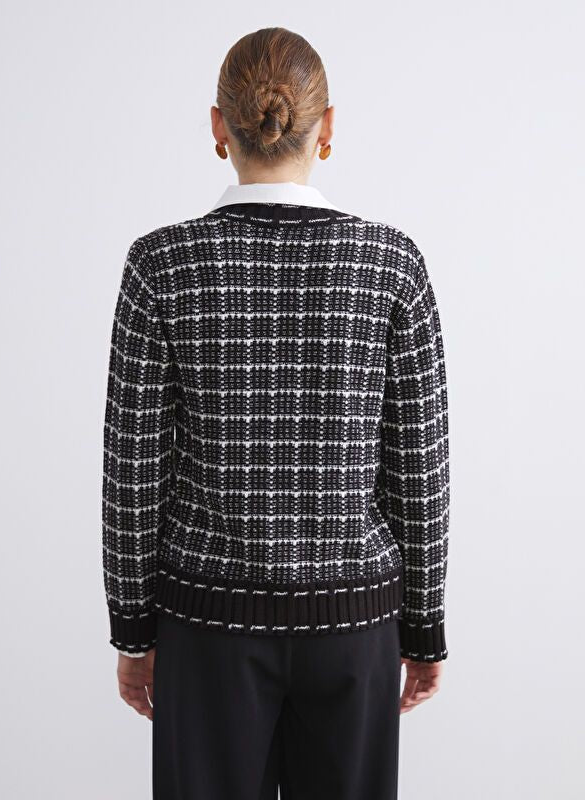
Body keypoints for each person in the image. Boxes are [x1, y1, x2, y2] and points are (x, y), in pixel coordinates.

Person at [101, 26, 450, 800]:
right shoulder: (392, 264)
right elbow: (419, 467)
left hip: (207, 627)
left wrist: (133, 628)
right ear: (327, 128)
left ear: (219, 127)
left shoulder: (161, 264)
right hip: (354, 625)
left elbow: (133, 471)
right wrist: (423, 626)